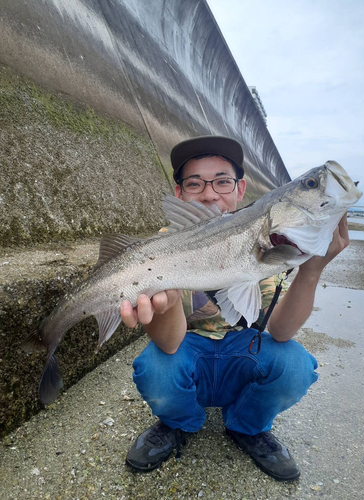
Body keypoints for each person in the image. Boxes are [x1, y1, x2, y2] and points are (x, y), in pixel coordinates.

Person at [120, 135, 349, 481]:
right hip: (187, 352)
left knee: (294, 364)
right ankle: (179, 423)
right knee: (156, 367)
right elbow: (169, 344)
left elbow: (281, 331)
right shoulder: (161, 247)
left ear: (241, 189)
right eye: (195, 183)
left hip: (243, 353)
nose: (210, 193)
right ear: (180, 193)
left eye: (222, 182)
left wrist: (312, 269)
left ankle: (247, 426)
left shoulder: (271, 240)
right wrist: (163, 305)